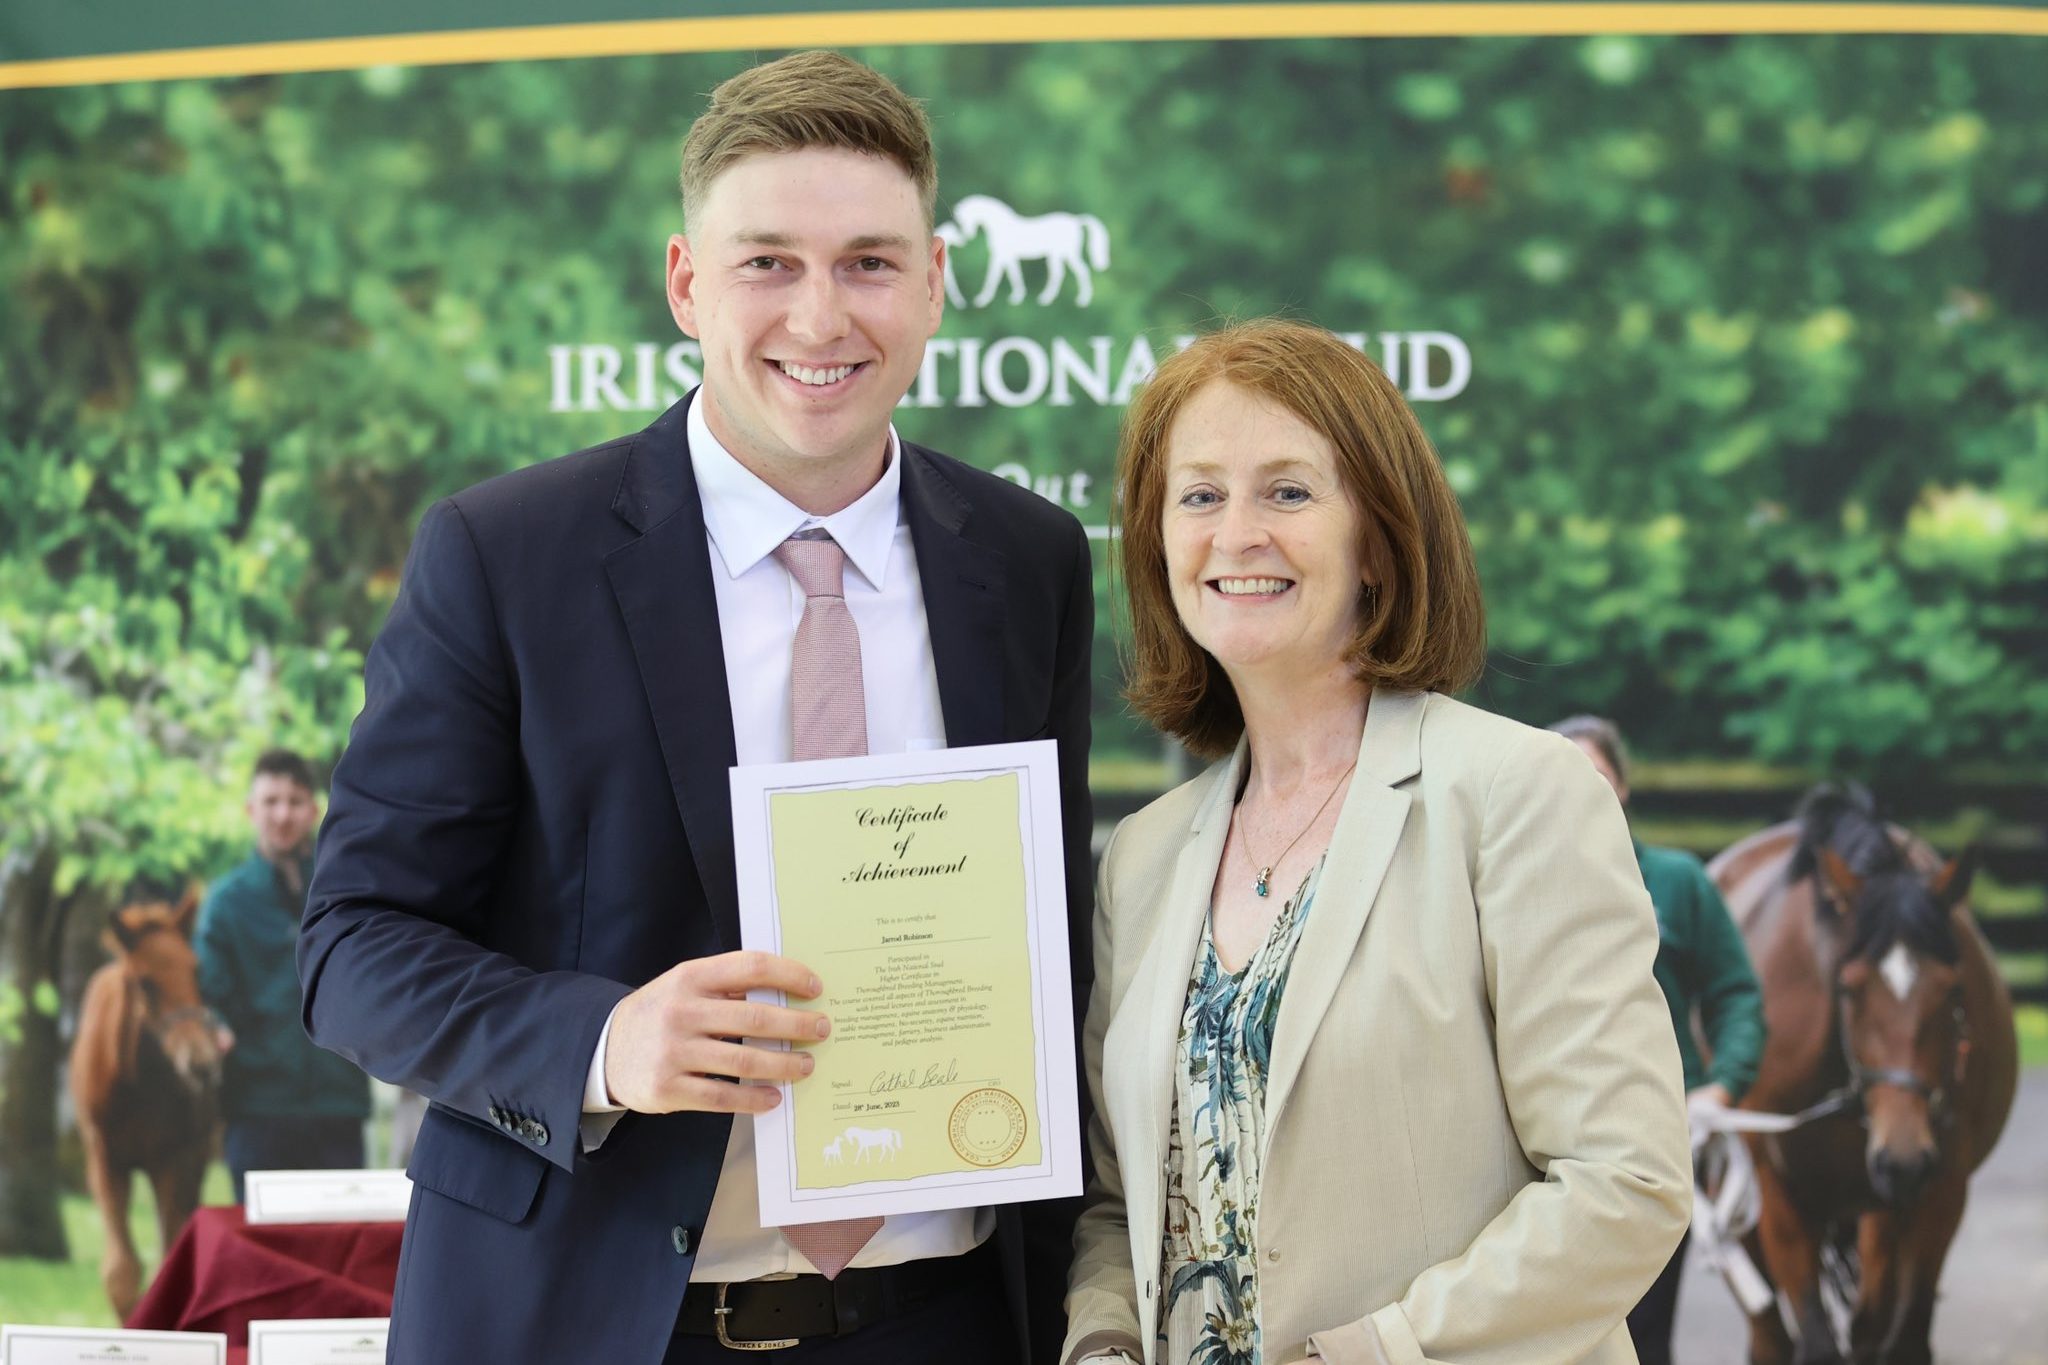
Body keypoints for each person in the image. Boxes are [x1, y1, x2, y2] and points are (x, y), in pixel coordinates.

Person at [299, 52, 1095, 1364]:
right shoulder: (506, 553)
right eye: (768, 262)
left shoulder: (1028, 558)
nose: (822, 316)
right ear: (684, 283)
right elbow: (352, 947)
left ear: (939, 281)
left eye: (871, 263)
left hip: (942, 1320)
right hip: (596, 1322)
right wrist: (602, 1041)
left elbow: (1046, 930)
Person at [1062, 320, 1691, 1365]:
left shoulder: (1519, 795)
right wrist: (1101, 1343)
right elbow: (1115, 1207)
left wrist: (1367, 1352)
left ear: (1378, 538)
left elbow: (1622, 1183)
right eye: (1200, 494)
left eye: (1289, 492)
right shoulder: (1141, 855)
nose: (1237, 533)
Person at [1549, 715, 1767, 1365]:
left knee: (1642, 1337)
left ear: (1622, 785)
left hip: (1656, 1142)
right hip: (1543, 1142)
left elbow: (1736, 992)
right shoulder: (1504, 881)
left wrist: (1721, 1085)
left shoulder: (1677, 882)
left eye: (1595, 773)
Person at [195, 749, 369, 1203]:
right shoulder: (225, 902)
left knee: (343, 1252)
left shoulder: (347, 891)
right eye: (270, 801)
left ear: (313, 811)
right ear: (250, 810)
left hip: (338, 1104)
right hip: (258, 1109)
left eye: (294, 801)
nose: (282, 814)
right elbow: (208, 996)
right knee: (265, 1260)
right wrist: (216, 1028)